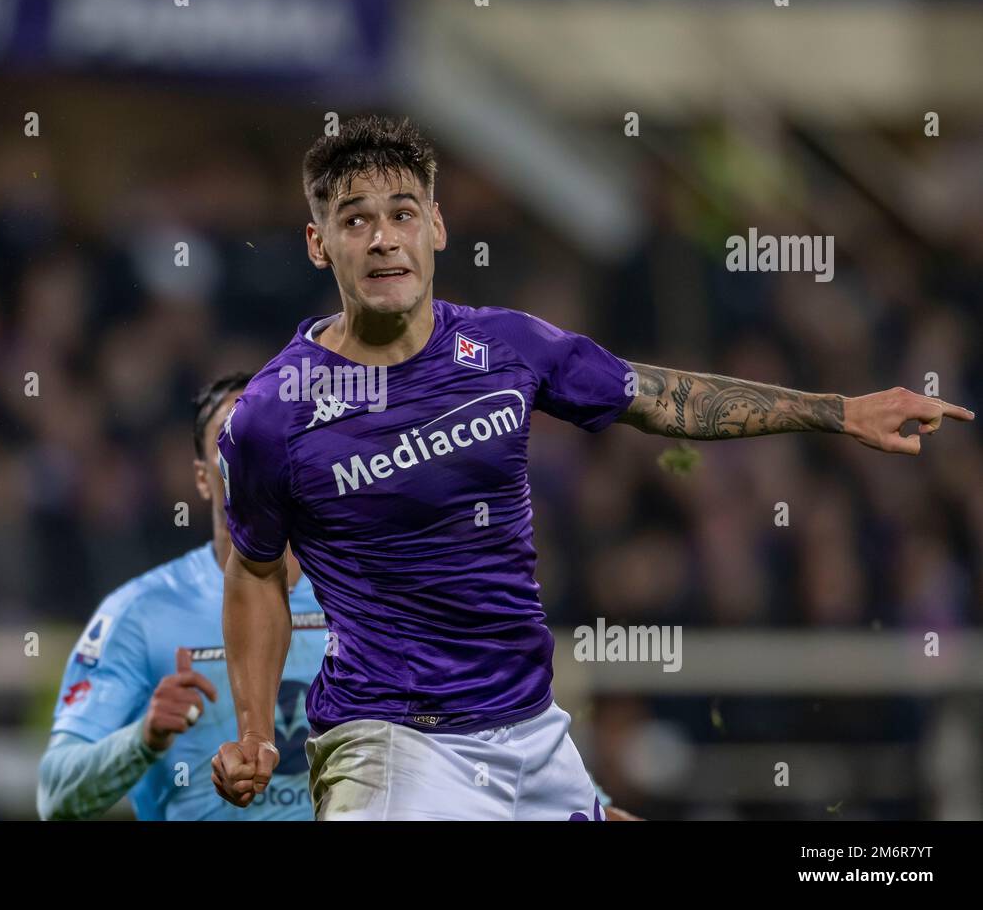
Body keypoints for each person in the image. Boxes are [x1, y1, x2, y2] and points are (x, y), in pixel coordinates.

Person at [211, 114, 974, 820]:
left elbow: (663, 397)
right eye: (354, 221)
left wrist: (838, 411)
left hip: (531, 733)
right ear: (319, 245)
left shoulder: (509, 349)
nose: (382, 239)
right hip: (394, 745)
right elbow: (253, 572)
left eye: (402, 213)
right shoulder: (276, 412)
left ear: (436, 227)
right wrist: (254, 730)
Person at [37, 373, 327, 820]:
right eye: (230, 437)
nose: (251, 452)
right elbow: (56, 795)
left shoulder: (357, 598)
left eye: (270, 435)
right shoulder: (141, 613)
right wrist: (142, 739)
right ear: (202, 478)